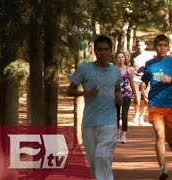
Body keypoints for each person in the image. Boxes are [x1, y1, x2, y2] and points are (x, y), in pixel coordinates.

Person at [67, 35, 122, 180]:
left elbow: (117, 88)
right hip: (89, 122)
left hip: (109, 121)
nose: (103, 52)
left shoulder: (116, 71)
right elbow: (69, 90)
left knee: (102, 155)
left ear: (111, 51)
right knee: (93, 160)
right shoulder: (84, 69)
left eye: (106, 49)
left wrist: (119, 96)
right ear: (95, 51)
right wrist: (86, 93)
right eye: (100, 49)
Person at [140, 34, 172, 180]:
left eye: (164, 45)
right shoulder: (149, 64)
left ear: (168, 47)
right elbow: (145, 80)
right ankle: (163, 169)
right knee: (159, 135)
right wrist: (143, 85)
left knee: (169, 137)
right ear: (155, 47)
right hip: (155, 103)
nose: (162, 48)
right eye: (159, 45)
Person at [115, 51, 138, 144]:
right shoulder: (113, 69)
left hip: (126, 95)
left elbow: (132, 83)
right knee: (116, 116)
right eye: (119, 57)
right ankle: (116, 133)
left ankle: (124, 135)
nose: (121, 59)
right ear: (116, 59)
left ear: (125, 58)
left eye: (122, 57)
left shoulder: (130, 69)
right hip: (115, 95)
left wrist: (135, 95)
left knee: (124, 115)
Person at [130, 39, 154, 125]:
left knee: (145, 99)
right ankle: (136, 114)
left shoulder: (150, 55)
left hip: (146, 79)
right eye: (138, 45)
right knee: (136, 98)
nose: (140, 47)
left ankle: (142, 117)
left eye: (142, 45)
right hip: (135, 78)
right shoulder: (133, 54)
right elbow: (131, 66)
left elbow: (152, 67)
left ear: (145, 46)